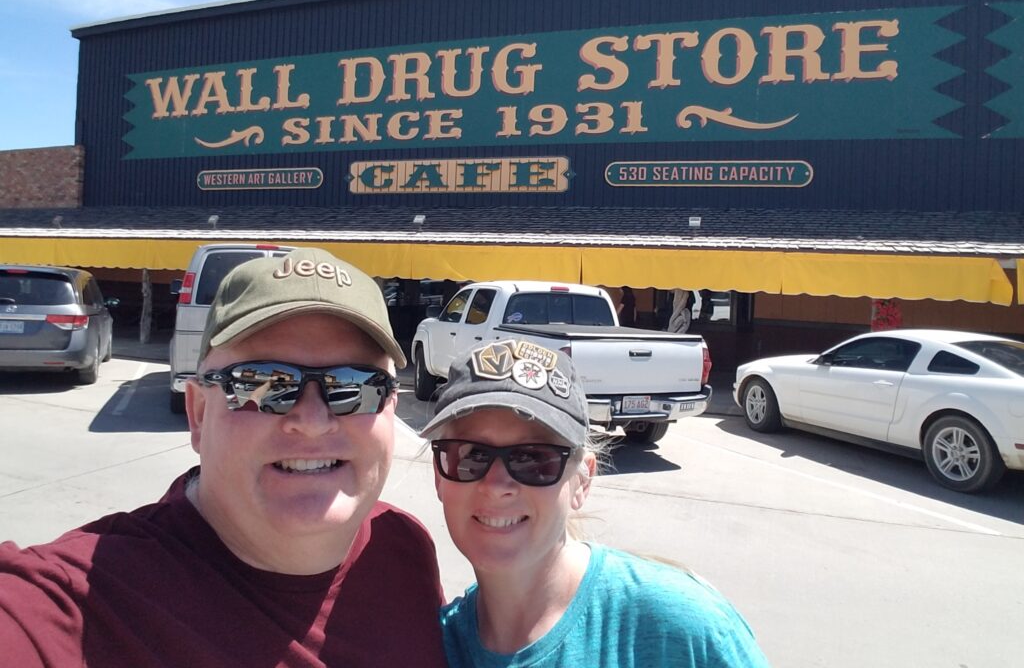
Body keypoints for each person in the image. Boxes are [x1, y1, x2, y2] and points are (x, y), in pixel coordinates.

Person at [0, 247, 447, 667]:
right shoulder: (77, 603)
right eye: (264, 383)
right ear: (198, 413)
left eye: (356, 386)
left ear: (390, 406)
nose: (312, 420)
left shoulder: (403, 547)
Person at [420, 339, 771, 667]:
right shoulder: (429, 645)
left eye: (534, 459)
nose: (497, 485)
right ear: (439, 476)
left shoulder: (682, 628)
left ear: (582, 481)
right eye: (472, 456)